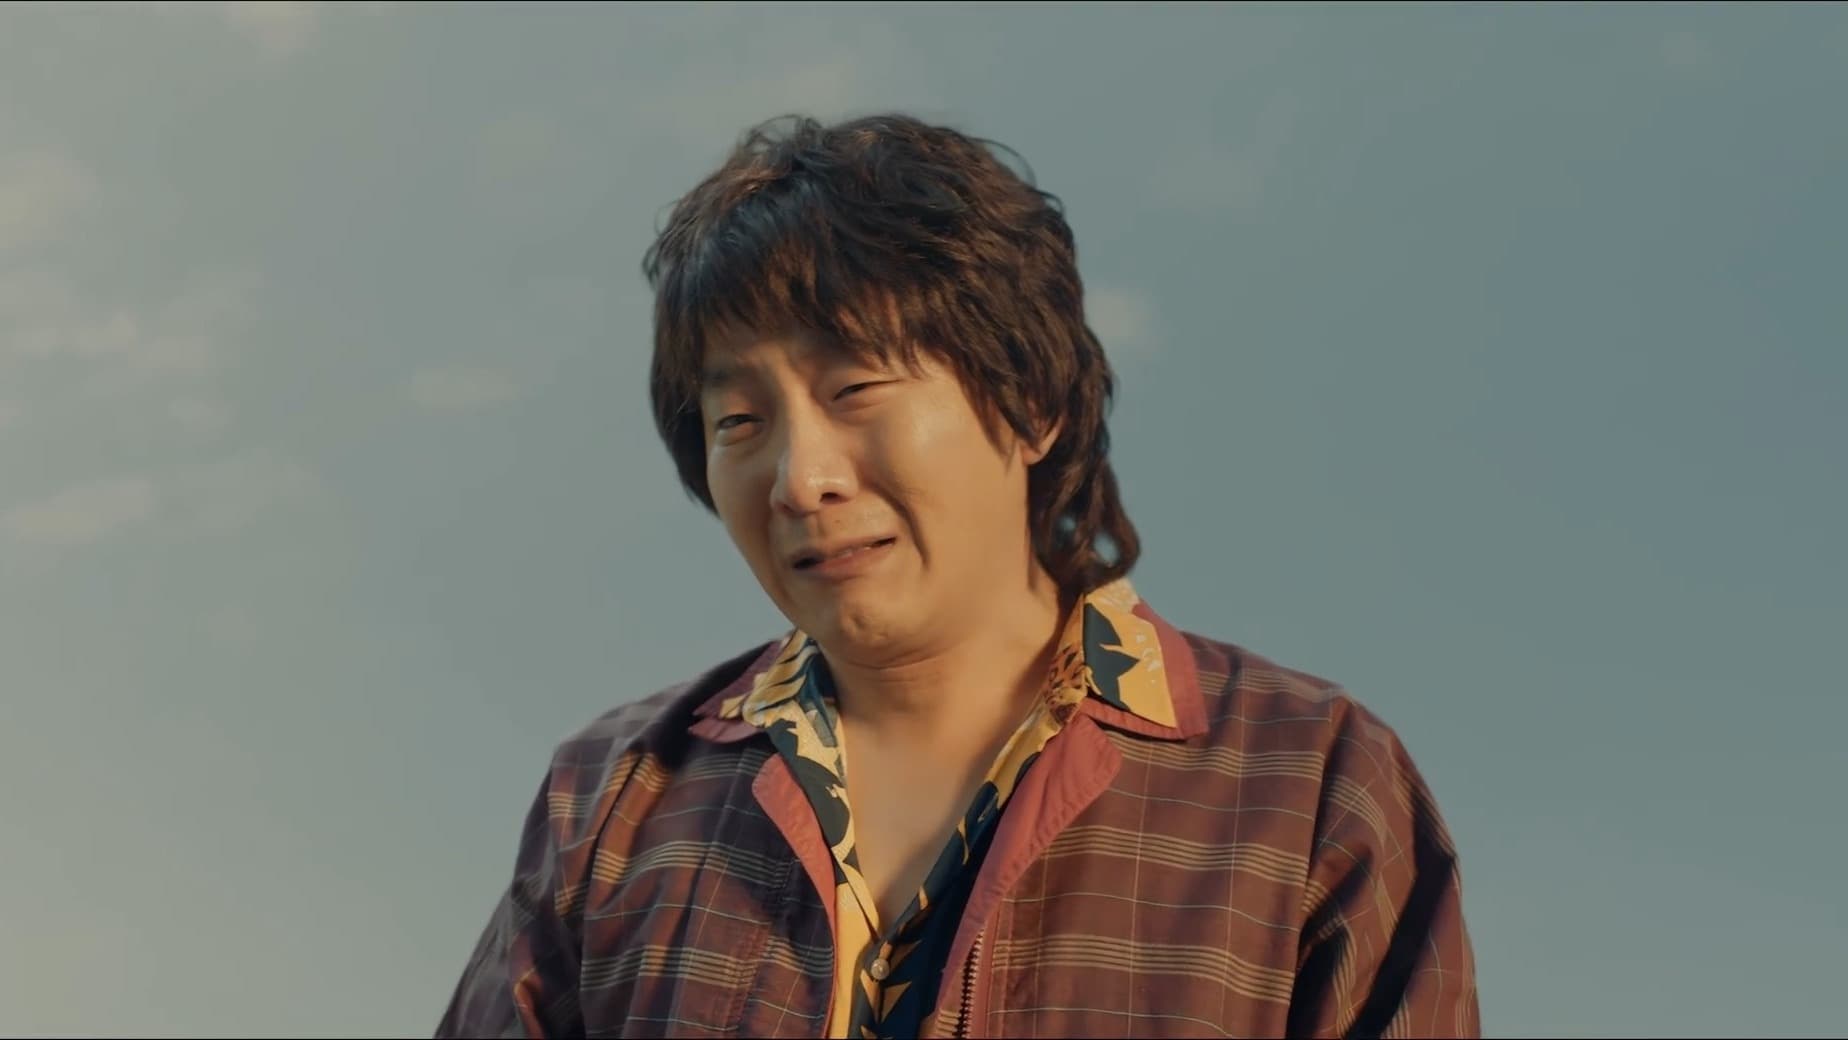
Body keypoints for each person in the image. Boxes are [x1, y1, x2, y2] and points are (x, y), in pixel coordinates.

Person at [436, 112, 1481, 1040]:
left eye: (856, 387)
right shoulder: (617, 793)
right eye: (740, 421)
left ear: (1030, 403)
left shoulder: (1309, 782)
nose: (801, 480)